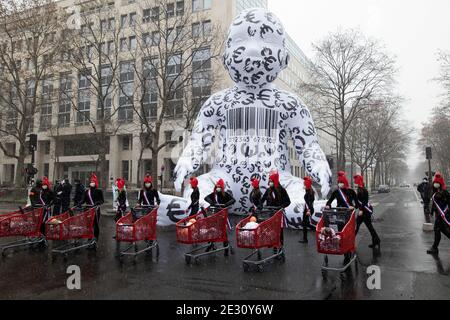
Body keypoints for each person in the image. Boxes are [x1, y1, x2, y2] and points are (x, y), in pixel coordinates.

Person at [325, 171, 356, 266]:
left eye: (341, 182)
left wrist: (352, 206)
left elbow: (357, 204)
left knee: (348, 233)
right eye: (339, 182)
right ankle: (343, 249)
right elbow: (329, 201)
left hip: (348, 214)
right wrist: (328, 205)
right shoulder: (336, 192)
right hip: (339, 214)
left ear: (345, 182)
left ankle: (348, 252)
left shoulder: (351, 191)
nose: (339, 184)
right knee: (341, 232)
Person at [260, 171, 291, 253]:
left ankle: (280, 248)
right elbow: (263, 199)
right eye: (269, 181)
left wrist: (281, 206)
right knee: (272, 231)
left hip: (279, 213)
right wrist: (260, 205)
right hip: (271, 214)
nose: (270, 183)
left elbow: (288, 201)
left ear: (275, 181)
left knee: (280, 231)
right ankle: (274, 248)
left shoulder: (282, 190)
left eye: (271, 181)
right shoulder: (268, 190)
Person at [204, 179, 236, 255]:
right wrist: (211, 202)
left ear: (222, 188)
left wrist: (225, 205)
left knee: (223, 232)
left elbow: (233, 200)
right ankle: (210, 244)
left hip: (222, 215)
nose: (218, 188)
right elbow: (206, 198)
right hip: (215, 215)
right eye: (217, 186)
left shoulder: (225, 194)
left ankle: (226, 249)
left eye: (219, 187)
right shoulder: (214, 194)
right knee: (212, 230)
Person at [354, 174, 380, 249]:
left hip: (366, 212)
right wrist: (353, 207)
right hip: (363, 211)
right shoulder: (359, 190)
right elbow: (358, 202)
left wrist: (361, 210)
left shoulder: (364, 190)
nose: (355, 184)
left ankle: (376, 240)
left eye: (356, 183)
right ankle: (351, 242)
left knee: (369, 227)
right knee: (357, 226)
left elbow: (365, 201)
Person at [427, 173, 450, 255]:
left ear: (440, 183)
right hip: (439, 214)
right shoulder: (435, 192)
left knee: (438, 229)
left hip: (443, 214)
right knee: (440, 229)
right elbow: (434, 204)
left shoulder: (445, 192)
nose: (435, 184)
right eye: (435, 183)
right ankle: (434, 248)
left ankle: (434, 248)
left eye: (437, 183)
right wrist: (431, 212)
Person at [81, 173, 104, 241]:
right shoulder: (87, 191)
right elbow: (83, 199)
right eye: (91, 182)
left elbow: (102, 200)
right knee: (88, 224)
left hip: (95, 210)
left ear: (95, 183)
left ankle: (95, 239)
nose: (92, 183)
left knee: (95, 224)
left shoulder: (99, 191)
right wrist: (79, 203)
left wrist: (97, 202)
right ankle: (89, 238)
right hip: (88, 210)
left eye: (93, 182)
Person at [299, 176, 314, 244]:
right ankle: (305, 238)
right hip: (308, 209)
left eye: (304, 184)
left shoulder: (309, 193)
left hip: (308, 210)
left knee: (305, 224)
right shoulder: (309, 191)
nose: (303, 186)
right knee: (305, 224)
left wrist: (308, 211)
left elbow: (310, 203)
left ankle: (305, 239)